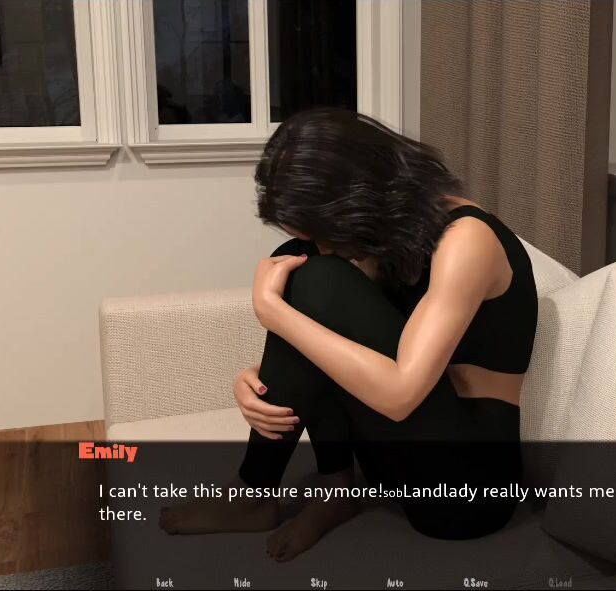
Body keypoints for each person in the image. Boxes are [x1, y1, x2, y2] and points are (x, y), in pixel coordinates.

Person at [159, 108, 537, 562]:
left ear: (358, 200)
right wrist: (265, 379)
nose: (326, 246)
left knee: (314, 276)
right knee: (298, 260)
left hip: (467, 489)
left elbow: (400, 393)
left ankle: (254, 492)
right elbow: (352, 351)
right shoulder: (389, 240)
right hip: (399, 459)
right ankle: (333, 489)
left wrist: (274, 313)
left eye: (327, 232)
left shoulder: (467, 241)